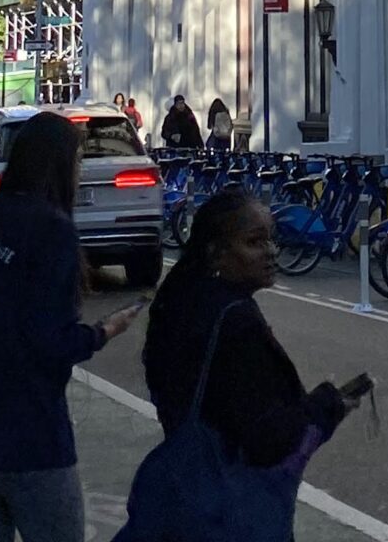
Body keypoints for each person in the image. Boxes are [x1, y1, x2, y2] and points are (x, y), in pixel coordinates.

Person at [0, 111, 142, 542]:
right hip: (28, 433)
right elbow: (49, 341)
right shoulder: (51, 231)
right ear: (63, 166)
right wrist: (102, 332)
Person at [141, 190, 358, 501]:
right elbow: (266, 438)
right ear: (217, 253)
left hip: (193, 483)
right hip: (229, 502)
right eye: (254, 242)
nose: (271, 251)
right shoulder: (234, 322)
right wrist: (325, 406)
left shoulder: (184, 299)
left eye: (271, 240)